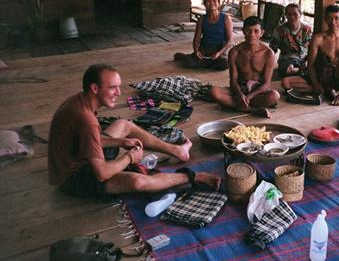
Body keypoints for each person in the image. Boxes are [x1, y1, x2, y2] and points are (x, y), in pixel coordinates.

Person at [48, 64, 221, 199]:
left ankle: (176, 150)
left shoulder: (81, 100)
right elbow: (101, 174)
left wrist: (121, 142)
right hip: (73, 178)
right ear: (94, 88)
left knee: (123, 125)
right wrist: (129, 158)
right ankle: (195, 177)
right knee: (138, 181)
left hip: (79, 156)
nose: (119, 92)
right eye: (112, 87)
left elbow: (89, 140)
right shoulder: (86, 120)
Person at [281, 4, 339, 106]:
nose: (333, 22)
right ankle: (325, 91)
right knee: (285, 82)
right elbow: (310, 65)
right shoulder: (318, 38)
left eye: (336, 18)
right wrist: (315, 84)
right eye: (329, 18)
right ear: (325, 19)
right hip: (322, 77)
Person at [209, 16, 280, 118]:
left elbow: (266, 83)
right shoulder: (234, 52)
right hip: (239, 89)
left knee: (274, 96)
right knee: (213, 91)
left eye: (256, 31)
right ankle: (252, 110)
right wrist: (239, 94)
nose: (252, 35)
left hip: (257, 92)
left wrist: (250, 96)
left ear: (262, 32)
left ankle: (239, 106)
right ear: (243, 31)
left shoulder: (268, 53)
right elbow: (233, 80)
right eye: (248, 31)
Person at [174, 0, 233, 70]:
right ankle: (192, 59)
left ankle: (201, 62)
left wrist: (219, 53)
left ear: (218, 3)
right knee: (188, 62)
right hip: (205, 48)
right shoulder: (202, 19)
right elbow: (197, 38)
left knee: (225, 64)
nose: (211, 3)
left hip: (219, 49)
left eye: (214, 0)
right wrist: (196, 51)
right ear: (205, 4)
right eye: (208, 1)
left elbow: (230, 40)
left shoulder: (226, 18)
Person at [269, 3, 312, 77]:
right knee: (287, 69)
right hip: (287, 59)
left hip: (304, 59)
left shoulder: (307, 29)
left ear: (300, 14)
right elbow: (272, 49)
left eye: (295, 14)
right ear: (286, 15)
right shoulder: (280, 30)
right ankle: (300, 71)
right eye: (289, 14)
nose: (292, 17)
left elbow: (312, 48)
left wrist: (309, 61)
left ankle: (300, 70)